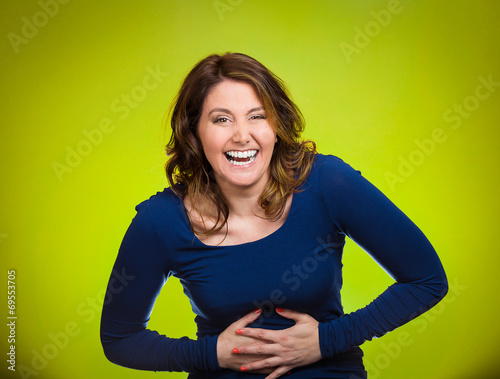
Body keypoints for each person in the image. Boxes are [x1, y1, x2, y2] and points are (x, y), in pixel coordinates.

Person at [100, 52, 448, 378]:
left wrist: (326, 341)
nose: (241, 135)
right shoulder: (159, 221)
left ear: (277, 126)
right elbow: (120, 338)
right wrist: (210, 354)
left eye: (258, 116)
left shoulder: (327, 183)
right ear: (194, 132)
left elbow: (426, 280)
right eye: (222, 119)